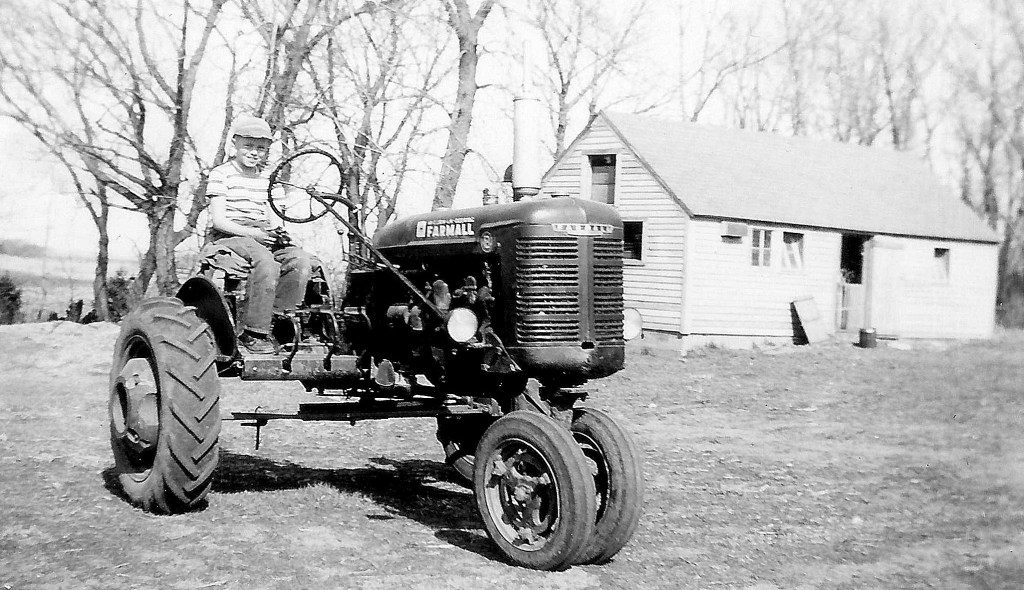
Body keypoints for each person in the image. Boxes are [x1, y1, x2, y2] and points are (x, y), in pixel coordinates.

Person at [206, 114, 315, 354]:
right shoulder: (221, 174)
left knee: (299, 260)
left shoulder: (269, 180)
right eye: (248, 146)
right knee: (265, 262)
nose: (254, 152)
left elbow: (274, 218)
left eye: (261, 148)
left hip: (261, 233)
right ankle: (253, 331)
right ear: (234, 144)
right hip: (231, 235)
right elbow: (219, 220)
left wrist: (278, 234)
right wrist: (253, 234)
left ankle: (279, 322)